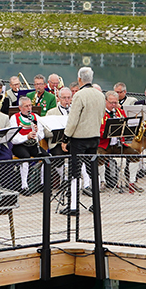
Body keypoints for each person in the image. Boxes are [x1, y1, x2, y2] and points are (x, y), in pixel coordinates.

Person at [63, 66, 105, 215]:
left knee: (74, 172)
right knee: (92, 170)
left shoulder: (79, 95)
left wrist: (65, 137)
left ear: (79, 79)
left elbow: (73, 120)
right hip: (94, 137)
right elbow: (101, 115)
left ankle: (73, 206)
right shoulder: (100, 95)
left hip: (79, 139)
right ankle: (96, 204)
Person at [8, 95, 49, 195]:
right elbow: (13, 139)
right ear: (20, 108)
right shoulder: (14, 118)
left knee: (47, 157)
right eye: (26, 106)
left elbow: (42, 135)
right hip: (20, 145)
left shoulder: (36, 117)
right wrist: (27, 136)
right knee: (25, 158)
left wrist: (37, 133)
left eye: (30, 106)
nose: (29, 108)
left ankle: (43, 184)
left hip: (33, 145)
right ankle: (24, 186)